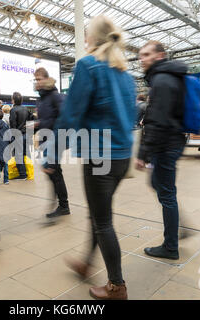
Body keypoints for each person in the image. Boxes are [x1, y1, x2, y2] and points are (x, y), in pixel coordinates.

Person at [54, 15, 136, 300]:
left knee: (103, 221)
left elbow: (71, 114)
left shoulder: (88, 66)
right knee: (99, 214)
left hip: (99, 156)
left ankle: (117, 286)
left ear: (93, 38)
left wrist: (52, 153)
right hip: (122, 156)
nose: (84, 38)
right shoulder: (126, 74)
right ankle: (86, 263)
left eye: (86, 33)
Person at [136, 40, 187, 260]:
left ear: (160, 56)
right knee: (158, 185)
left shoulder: (162, 80)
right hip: (171, 142)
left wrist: (143, 154)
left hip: (166, 145)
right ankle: (178, 228)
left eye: (147, 54)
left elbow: (156, 121)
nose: (142, 59)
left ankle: (171, 246)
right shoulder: (167, 77)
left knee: (166, 194)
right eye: (140, 55)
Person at [32, 67, 69, 218]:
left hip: (55, 140)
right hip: (47, 140)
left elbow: (64, 118)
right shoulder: (42, 99)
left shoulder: (55, 96)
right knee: (52, 172)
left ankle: (62, 205)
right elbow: (48, 118)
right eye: (35, 79)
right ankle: (61, 205)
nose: (37, 82)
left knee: (53, 171)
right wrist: (38, 123)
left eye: (39, 79)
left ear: (47, 79)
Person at [9, 92, 33, 180]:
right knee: (26, 154)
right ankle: (28, 171)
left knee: (18, 155)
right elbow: (31, 121)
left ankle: (22, 174)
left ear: (13, 100)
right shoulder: (26, 109)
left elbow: (13, 124)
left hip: (18, 135)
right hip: (26, 134)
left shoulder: (13, 110)